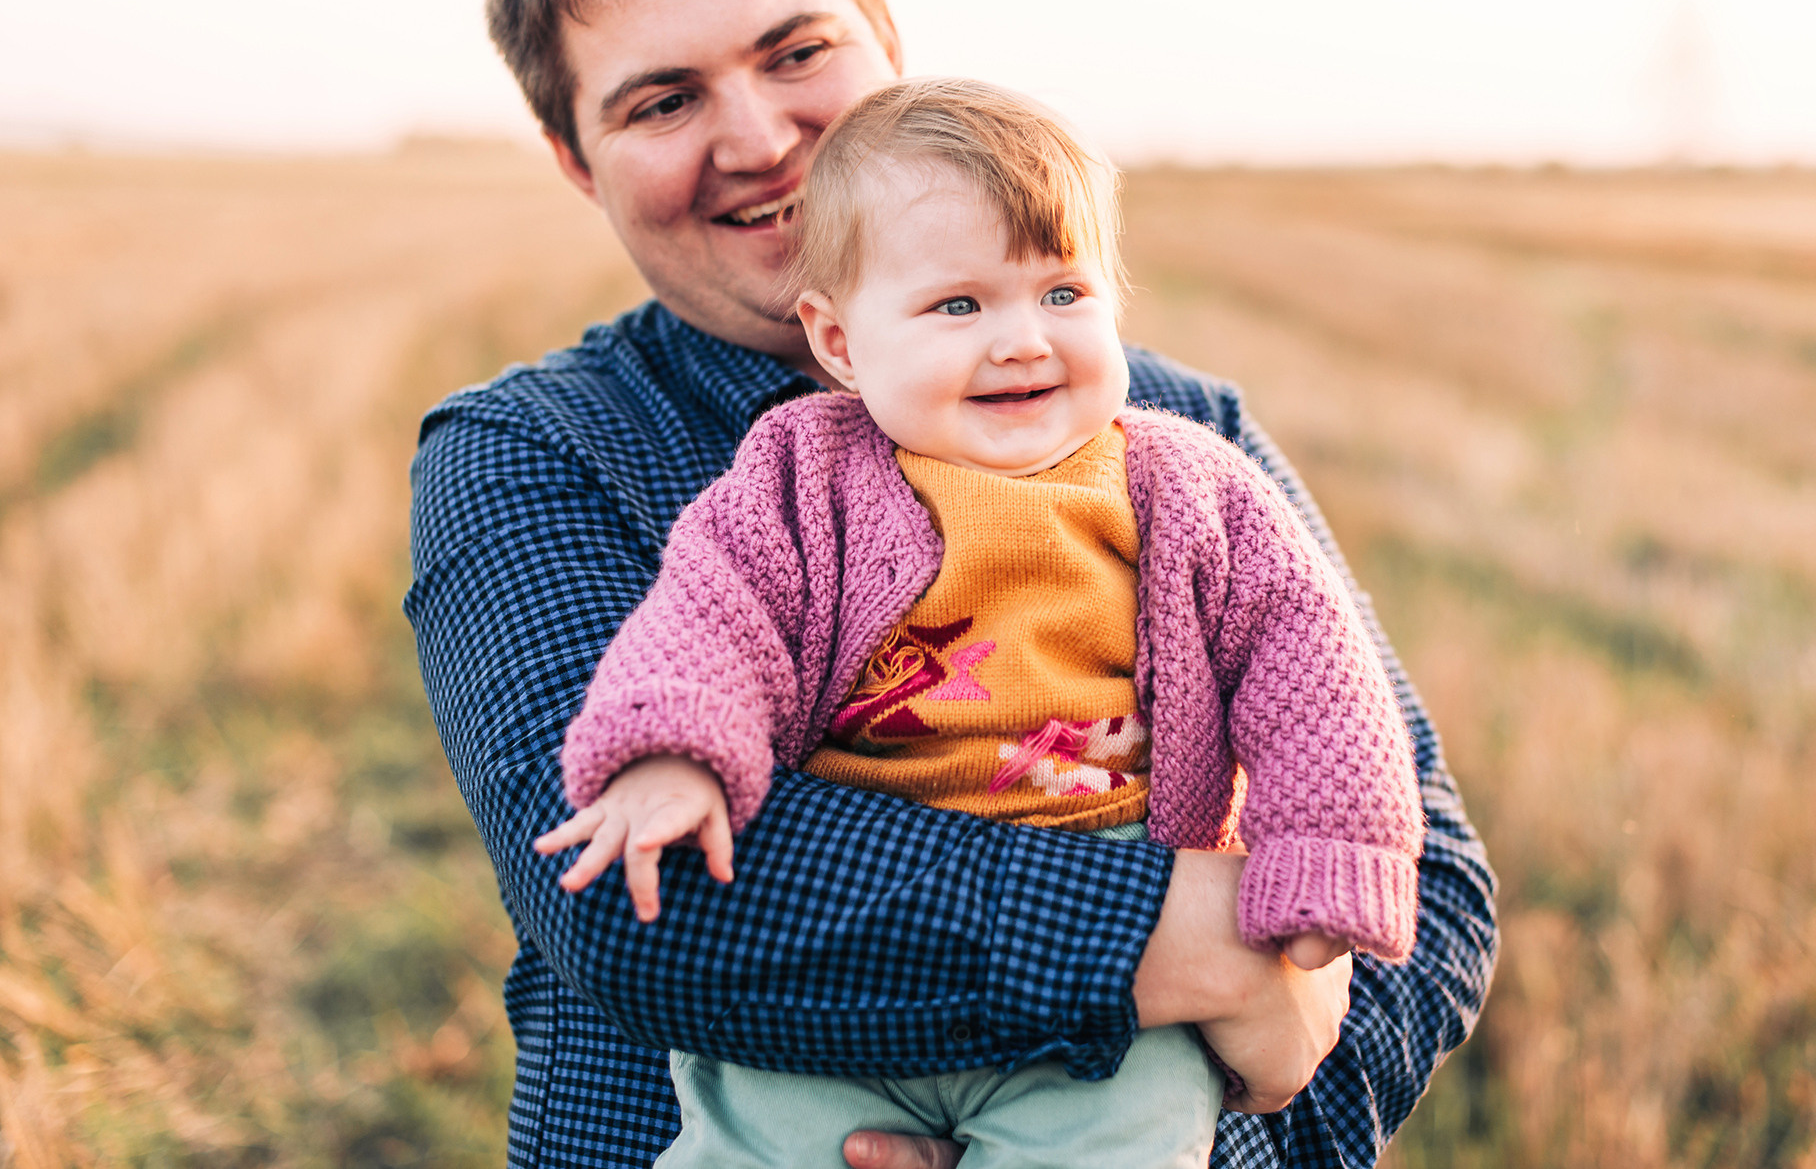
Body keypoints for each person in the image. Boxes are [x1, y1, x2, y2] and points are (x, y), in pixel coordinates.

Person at [404, 0, 1498, 1165]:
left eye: (798, 51)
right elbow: (632, 903)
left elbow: (1421, 883)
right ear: (577, 157)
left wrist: (1246, 1093)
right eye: (661, 102)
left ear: (888, 42)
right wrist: (1219, 949)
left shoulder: (1182, 439)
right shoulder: (529, 453)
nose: (758, 139)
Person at [535, 78, 1426, 1168]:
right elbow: (717, 610)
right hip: (852, 967)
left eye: (1061, 293)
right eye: (958, 307)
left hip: (1111, 976)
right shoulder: (801, 475)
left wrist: (1325, 848)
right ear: (842, 342)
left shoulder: (1188, 482)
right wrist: (670, 753)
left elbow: (1307, 664)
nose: (1021, 343)